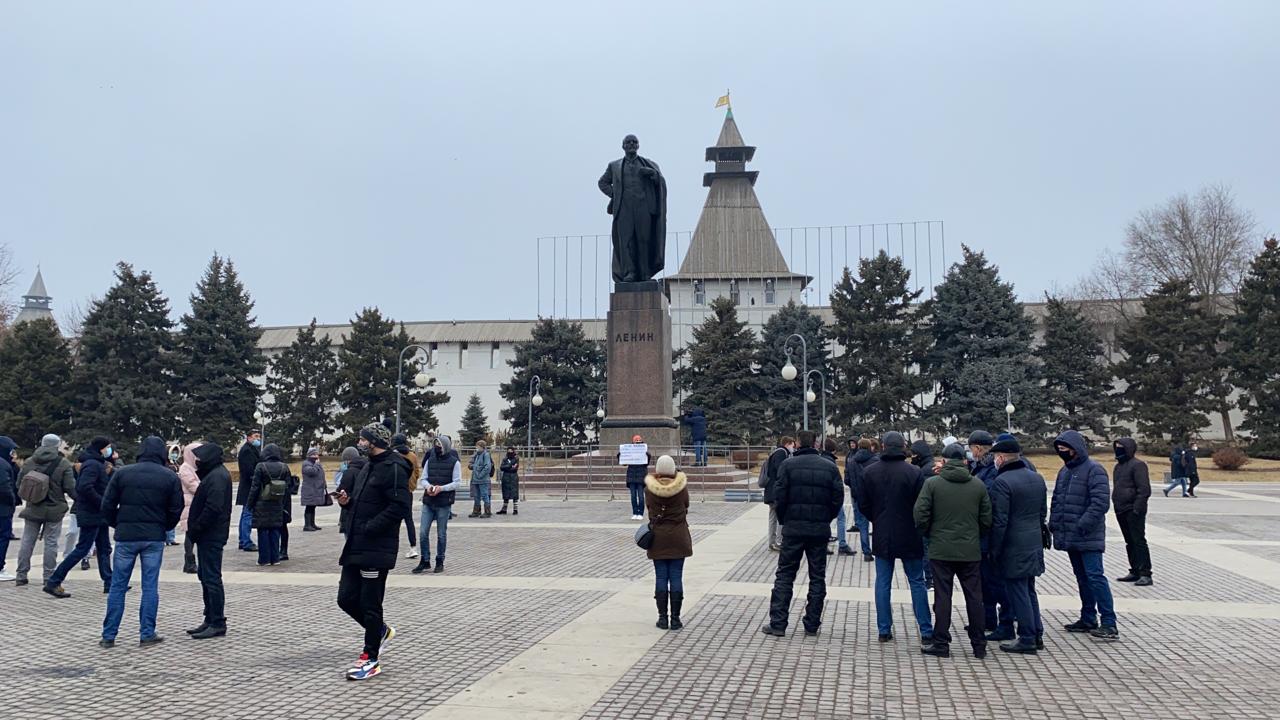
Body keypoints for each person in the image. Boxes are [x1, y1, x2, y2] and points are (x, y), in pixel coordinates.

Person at [335, 422, 412, 681]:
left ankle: (371, 657)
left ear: (374, 441)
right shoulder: (368, 465)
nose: (360, 441)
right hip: (356, 544)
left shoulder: (394, 468)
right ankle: (379, 631)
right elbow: (363, 502)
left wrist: (371, 527)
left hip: (376, 547)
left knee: (370, 603)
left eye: (364, 438)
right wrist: (347, 503)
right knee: (345, 598)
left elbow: (400, 506)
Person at [100, 436, 184, 648]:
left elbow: (107, 504)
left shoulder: (123, 473)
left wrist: (117, 524)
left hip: (126, 536)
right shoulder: (169, 476)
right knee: (149, 586)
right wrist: (164, 527)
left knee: (118, 585)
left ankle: (109, 635)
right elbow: (176, 508)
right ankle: (147, 632)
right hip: (153, 537)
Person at [760, 430, 843, 638]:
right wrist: (826, 518)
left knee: (785, 575)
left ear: (797, 443)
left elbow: (780, 496)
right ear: (815, 444)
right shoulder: (830, 467)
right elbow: (837, 499)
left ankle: (778, 623)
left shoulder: (788, 466)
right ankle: (812, 623)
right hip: (818, 529)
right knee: (817, 576)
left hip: (793, 529)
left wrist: (785, 519)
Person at [914, 443, 992, 659]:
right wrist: (975, 536)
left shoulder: (932, 484)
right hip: (970, 550)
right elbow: (987, 519)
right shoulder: (977, 485)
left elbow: (920, 514)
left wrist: (929, 534)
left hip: (940, 550)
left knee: (943, 596)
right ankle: (979, 644)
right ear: (965, 461)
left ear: (945, 461)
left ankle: (941, 642)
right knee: (975, 597)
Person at [857, 431, 934, 643]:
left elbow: (863, 504)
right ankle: (926, 630)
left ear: (882, 446)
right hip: (910, 532)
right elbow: (922, 505)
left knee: (883, 582)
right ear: (903, 447)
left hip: (883, 533)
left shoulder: (870, 472)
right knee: (917, 581)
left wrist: (877, 519)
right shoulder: (914, 472)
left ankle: (884, 629)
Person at [1050, 430, 1119, 641]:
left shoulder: (1094, 470)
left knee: (1095, 577)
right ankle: (1088, 617)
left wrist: (1082, 525)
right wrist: (1054, 524)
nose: (1062, 453)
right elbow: (1057, 500)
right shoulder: (1065, 471)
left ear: (1075, 449)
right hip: (1070, 535)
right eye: (1059, 450)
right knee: (1082, 579)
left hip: (1087, 535)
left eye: (1065, 449)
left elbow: (1100, 503)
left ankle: (1109, 622)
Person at [988, 435, 1048, 654]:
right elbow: (1042, 513)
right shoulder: (1037, 478)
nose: (994, 460)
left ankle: (1027, 637)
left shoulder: (1002, 482)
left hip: (1013, 546)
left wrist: (994, 549)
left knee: (1017, 592)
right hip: (1033, 543)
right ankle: (1036, 633)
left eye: (995, 456)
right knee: (1029, 589)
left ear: (1002, 458)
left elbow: (1000, 521)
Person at [44, 436, 115, 598]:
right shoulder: (92, 464)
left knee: (104, 548)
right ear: (100, 448)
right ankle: (54, 581)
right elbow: (84, 487)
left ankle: (110, 582)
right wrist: (102, 502)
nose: (109, 451)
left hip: (98, 514)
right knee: (82, 548)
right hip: (92, 513)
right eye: (107, 448)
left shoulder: (97, 463)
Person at [14, 434, 76, 588]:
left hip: (33, 507)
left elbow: (19, 484)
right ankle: (48, 577)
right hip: (54, 509)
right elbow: (70, 487)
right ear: (56, 445)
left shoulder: (29, 462)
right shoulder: (63, 463)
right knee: (51, 543)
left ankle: (21, 575)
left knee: (27, 541)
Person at [186, 442, 232, 639]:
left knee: (211, 578)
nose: (197, 462)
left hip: (211, 535)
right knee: (205, 576)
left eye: (200, 458)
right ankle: (210, 617)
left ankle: (217, 621)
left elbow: (213, 508)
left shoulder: (217, 477)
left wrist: (196, 528)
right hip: (208, 534)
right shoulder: (214, 475)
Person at [646, 454, 692, 630]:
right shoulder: (681, 487)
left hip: (658, 537)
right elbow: (686, 505)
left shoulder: (650, 488)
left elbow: (649, 509)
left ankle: (662, 618)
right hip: (678, 536)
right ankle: (676, 619)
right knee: (676, 577)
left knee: (660, 577)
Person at [413, 434, 461, 574]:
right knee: (423, 533)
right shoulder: (430, 460)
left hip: (444, 502)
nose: (437, 447)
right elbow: (424, 479)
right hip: (429, 500)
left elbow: (457, 482)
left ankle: (440, 560)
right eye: (435, 444)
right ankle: (425, 560)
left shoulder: (454, 462)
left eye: (439, 444)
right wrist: (428, 487)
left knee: (441, 534)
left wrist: (441, 488)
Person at [1112, 438, 1153, 586]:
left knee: (1138, 540)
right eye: (1116, 447)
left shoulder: (1138, 465)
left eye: (1121, 447)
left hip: (1133, 510)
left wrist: (1137, 508)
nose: (1118, 450)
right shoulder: (1118, 467)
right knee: (1129, 542)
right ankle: (1135, 569)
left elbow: (1144, 490)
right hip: (1121, 509)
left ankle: (1145, 572)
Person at [247, 444, 292, 566]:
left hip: (262, 502)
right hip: (278, 502)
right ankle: (275, 558)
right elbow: (288, 486)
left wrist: (249, 504)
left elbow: (255, 487)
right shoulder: (284, 467)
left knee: (263, 530)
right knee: (275, 529)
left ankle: (264, 559)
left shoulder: (260, 466)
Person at [822, 437, 854, 557]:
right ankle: (842, 544)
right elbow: (837, 484)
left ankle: (824, 544)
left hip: (823, 496)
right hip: (833, 496)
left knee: (825, 520)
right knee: (841, 518)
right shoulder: (832, 463)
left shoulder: (821, 460)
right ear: (834, 450)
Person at [762, 436, 795, 552]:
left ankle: (772, 542)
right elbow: (781, 471)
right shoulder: (781, 453)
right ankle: (778, 541)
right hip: (776, 492)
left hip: (771, 491)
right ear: (787, 444)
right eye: (792, 445)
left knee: (773, 517)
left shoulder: (777, 452)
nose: (793, 447)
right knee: (779, 516)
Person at [844, 438, 876, 561]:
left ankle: (866, 552)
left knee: (863, 525)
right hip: (874, 497)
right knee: (876, 523)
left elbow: (846, 480)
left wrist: (854, 486)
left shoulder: (851, 461)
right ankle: (877, 549)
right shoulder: (875, 460)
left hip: (858, 497)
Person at [392, 435, 420, 557]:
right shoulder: (412, 455)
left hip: (395, 491)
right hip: (408, 491)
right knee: (409, 520)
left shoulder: (393, 455)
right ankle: (413, 547)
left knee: (393, 520)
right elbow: (417, 472)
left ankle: (393, 547)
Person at [235, 430, 262, 552]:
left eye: (259, 436)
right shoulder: (247, 451)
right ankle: (246, 541)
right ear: (249, 438)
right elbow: (249, 470)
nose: (258, 439)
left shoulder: (251, 449)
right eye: (256, 436)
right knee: (248, 514)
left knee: (245, 513)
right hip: (248, 487)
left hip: (247, 486)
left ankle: (243, 540)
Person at [178, 442, 202, 574]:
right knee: (190, 534)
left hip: (196, 504)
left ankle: (190, 562)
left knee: (194, 533)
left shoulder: (196, 467)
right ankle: (189, 561)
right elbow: (193, 485)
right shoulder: (185, 468)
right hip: (189, 504)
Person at [0, 436, 19, 582]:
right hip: (3, 510)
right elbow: (5, 488)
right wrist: (12, 501)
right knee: (3, 537)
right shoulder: (2, 465)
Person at [620, 435, 652, 520]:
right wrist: (622, 451)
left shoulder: (644, 450)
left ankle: (640, 513)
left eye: (639, 440)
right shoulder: (630, 450)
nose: (637, 441)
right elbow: (623, 462)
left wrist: (646, 453)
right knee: (633, 496)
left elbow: (647, 462)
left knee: (641, 497)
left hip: (641, 477)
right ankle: (635, 512)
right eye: (636, 440)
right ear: (633, 441)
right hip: (632, 476)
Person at [336, 447, 365, 535]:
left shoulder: (349, 472)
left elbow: (342, 490)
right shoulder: (367, 469)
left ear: (347, 460)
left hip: (350, 508)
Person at [300, 447, 328, 531]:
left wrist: (324, 484)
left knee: (313, 507)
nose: (317, 456)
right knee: (309, 507)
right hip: (309, 490)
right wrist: (317, 464)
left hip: (316, 489)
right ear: (310, 455)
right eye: (315, 454)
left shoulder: (315, 463)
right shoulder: (306, 463)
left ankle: (312, 523)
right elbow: (312, 472)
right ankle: (307, 525)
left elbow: (321, 474)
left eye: (317, 454)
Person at [468, 440, 494, 518]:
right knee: (476, 496)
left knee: (485, 495)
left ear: (482, 447)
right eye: (477, 446)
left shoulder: (485, 455)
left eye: (478, 446)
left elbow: (487, 467)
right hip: (475, 479)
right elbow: (475, 465)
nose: (477, 448)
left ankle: (487, 511)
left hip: (483, 479)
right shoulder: (477, 455)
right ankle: (476, 511)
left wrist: (480, 475)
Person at [497, 447, 520, 515]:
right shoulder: (505, 459)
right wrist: (510, 466)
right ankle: (504, 509)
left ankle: (515, 509)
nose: (509, 452)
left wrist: (507, 467)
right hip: (506, 478)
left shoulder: (516, 459)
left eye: (511, 451)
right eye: (508, 451)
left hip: (513, 477)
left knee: (514, 493)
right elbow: (501, 467)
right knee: (505, 493)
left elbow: (515, 469)